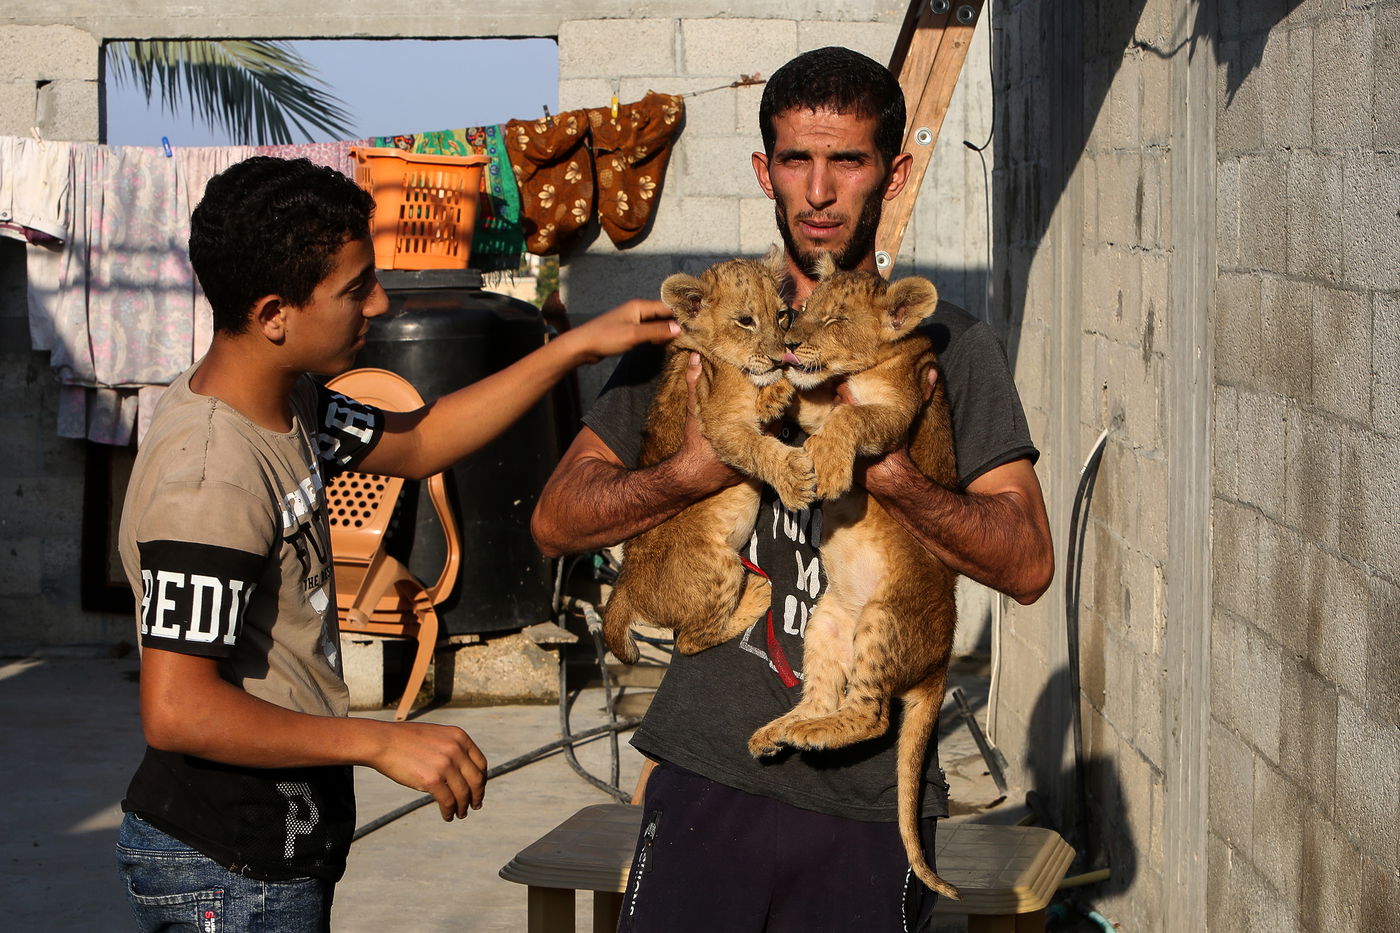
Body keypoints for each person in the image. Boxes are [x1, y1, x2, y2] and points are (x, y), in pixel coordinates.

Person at [531, 46, 1054, 932]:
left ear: (893, 171)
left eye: (846, 160)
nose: (818, 191)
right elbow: (556, 517)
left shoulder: (948, 348)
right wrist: (691, 471)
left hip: (867, 799)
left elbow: (1029, 559)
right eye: (796, 160)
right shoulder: (703, 326)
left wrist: (894, 472)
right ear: (763, 170)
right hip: (706, 774)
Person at [114, 156, 676, 932]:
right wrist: (380, 742)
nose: (377, 303)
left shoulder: (293, 400)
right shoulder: (211, 478)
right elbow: (176, 708)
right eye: (355, 289)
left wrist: (573, 348)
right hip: (226, 863)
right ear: (275, 312)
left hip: (277, 847)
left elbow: (421, 442)